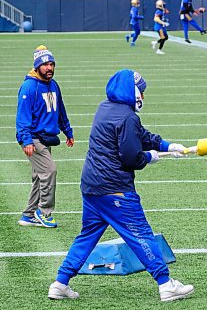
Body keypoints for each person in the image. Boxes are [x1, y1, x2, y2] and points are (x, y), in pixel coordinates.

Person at [47, 69, 194, 302]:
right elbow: (131, 157)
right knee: (141, 235)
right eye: (141, 92)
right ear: (132, 91)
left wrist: (167, 145)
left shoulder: (105, 107)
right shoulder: (127, 116)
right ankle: (166, 284)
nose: (143, 97)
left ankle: (60, 282)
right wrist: (151, 157)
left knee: (87, 235)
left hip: (91, 187)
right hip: (114, 189)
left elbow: (139, 135)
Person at [16, 45, 74, 228]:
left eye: (52, 64)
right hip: (33, 139)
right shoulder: (29, 87)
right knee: (49, 170)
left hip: (46, 138)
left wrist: (68, 131)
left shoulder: (54, 85)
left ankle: (28, 214)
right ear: (37, 66)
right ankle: (44, 212)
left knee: (39, 177)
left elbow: (60, 110)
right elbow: (22, 117)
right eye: (45, 65)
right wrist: (26, 140)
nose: (49, 68)